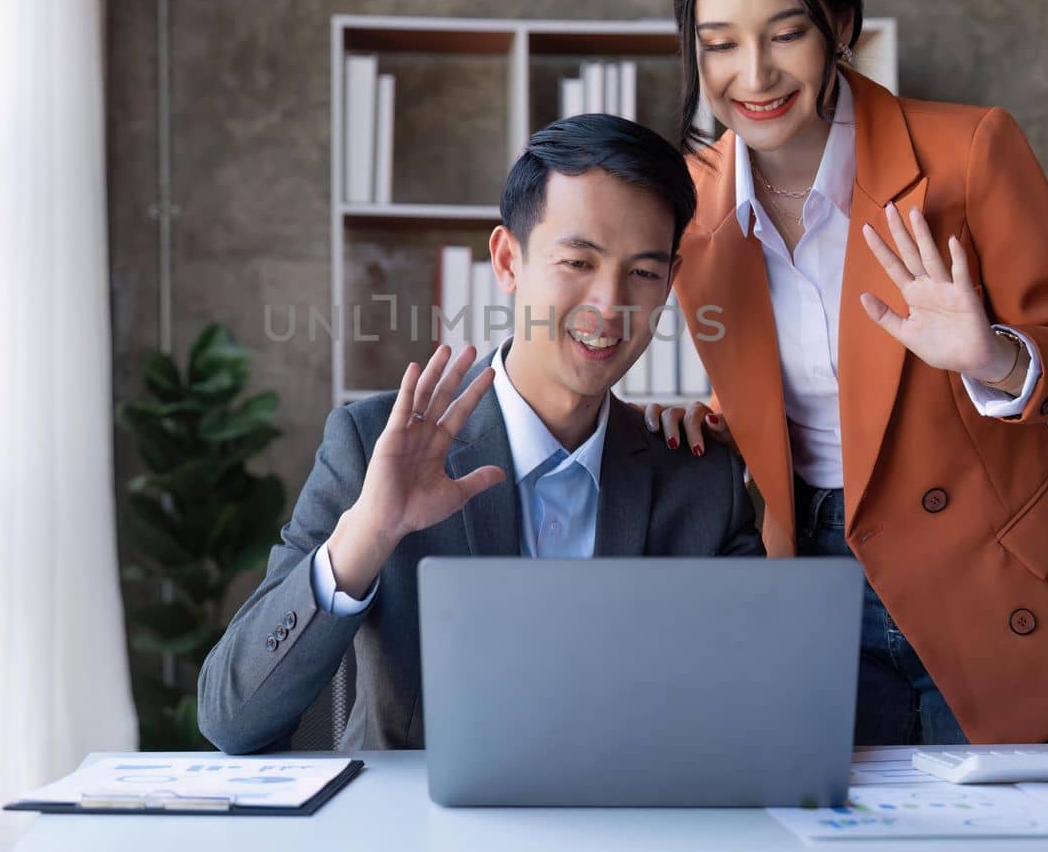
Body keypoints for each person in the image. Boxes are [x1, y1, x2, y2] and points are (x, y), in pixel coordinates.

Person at [647, 0, 1048, 745]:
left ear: (840, 19)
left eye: (787, 33)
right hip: (814, 590)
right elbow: (802, 402)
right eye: (720, 45)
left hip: (992, 579)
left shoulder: (968, 153)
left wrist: (995, 357)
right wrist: (704, 422)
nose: (755, 75)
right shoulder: (694, 210)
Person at [198, 114, 762, 754]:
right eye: (578, 261)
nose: (609, 306)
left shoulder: (698, 476)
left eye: (642, 273)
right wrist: (369, 532)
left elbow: (767, 705)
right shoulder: (375, 445)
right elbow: (231, 716)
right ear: (507, 260)